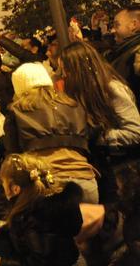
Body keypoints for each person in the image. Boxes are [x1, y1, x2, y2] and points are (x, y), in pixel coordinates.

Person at [4, 62, 98, 203]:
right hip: (86, 180)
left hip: (48, 185)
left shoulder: (16, 111)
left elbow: (13, 155)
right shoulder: (73, 105)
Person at [60, 40, 140, 204]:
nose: (63, 75)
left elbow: (135, 132)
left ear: (78, 69)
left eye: (65, 70)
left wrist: (100, 137)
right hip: (104, 169)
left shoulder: (112, 89)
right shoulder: (82, 91)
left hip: (123, 169)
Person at [107, 5, 140, 98]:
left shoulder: (136, 53)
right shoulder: (122, 50)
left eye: (117, 25)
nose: (112, 30)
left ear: (134, 25)